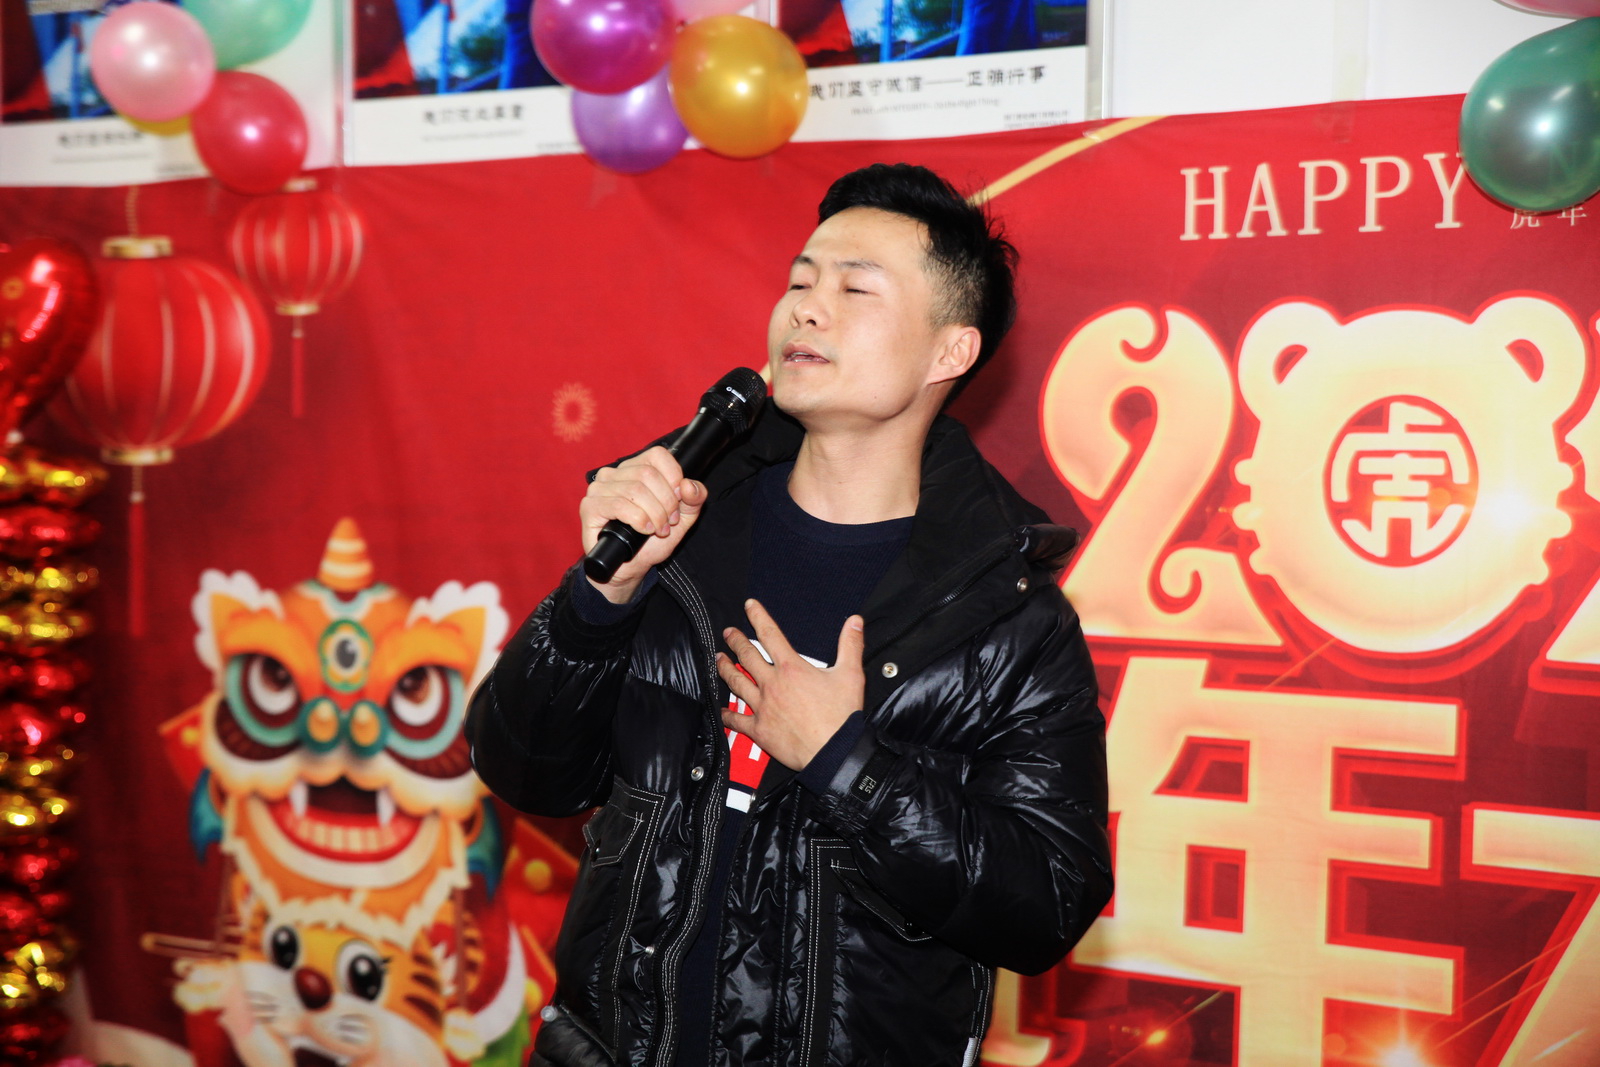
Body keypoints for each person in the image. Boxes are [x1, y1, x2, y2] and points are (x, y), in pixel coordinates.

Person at [466, 163, 1112, 1067]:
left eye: (855, 288)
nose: (807, 309)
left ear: (950, 352)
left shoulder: (1006, 618)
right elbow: (523, 770)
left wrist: (849, 762)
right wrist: (599, 598)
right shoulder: (681, 529)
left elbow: (1046, 901)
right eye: (801, 281)